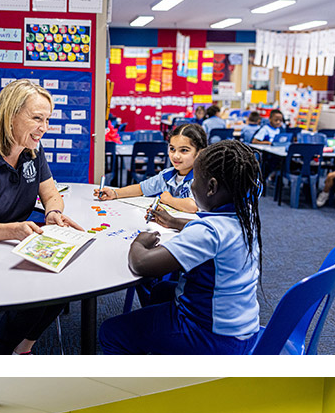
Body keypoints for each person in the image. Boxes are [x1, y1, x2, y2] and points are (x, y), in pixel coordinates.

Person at [0, 78, 83, 354]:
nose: (44, 128)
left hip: (17, 241)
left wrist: (54, 212)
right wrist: (14, 230)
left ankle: (23, 347)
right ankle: (2, 349)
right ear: (10, 116)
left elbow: (51, 194)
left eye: (47, 119)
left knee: (62, 280)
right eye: (37, 118)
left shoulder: (32, 150)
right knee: (38, 287)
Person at [98, 140, 262, 355]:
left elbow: (142, 264)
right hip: (241, 329)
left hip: (211, 338)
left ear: (211, 187)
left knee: (110, 332)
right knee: (160, 291)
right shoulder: (244, 216)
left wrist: (140, 241)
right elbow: (213, 233)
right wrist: (174, 222)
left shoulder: (208, 232)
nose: (192, 187)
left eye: (195, 182)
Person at [94, 123, 206, 214]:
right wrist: (114, 193)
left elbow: (193, 206)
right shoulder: (166, 175)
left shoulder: (201, 178)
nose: (176, 155)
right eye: (172, 149)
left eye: (184, 150)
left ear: (199, 152)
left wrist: (168, 199)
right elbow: (141, 188)